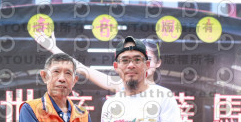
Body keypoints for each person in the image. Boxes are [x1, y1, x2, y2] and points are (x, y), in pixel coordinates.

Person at [34, 32, 162, 92]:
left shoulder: (163, 96)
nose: (144, 65)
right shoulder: (121, 86)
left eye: (149, 59)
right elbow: (82, 68)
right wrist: (53, 49)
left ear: (158, 63)